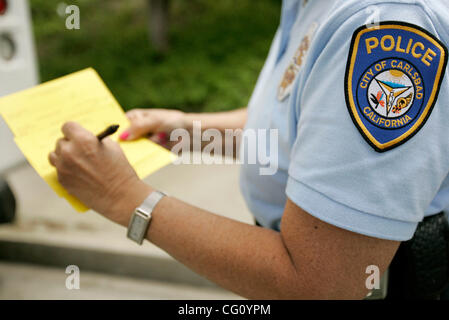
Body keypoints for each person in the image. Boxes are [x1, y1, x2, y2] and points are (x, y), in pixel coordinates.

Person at [48, 0, 449, 299]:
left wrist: (122, 197)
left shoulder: (384, 24)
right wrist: (189, 132)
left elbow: (321, 283)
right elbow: (303, 129)